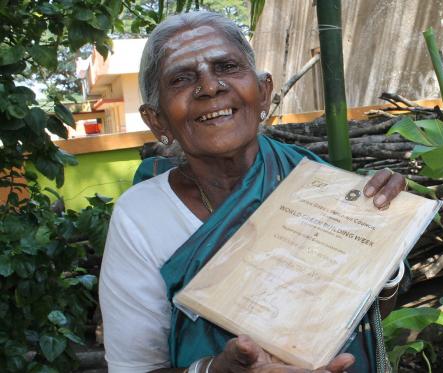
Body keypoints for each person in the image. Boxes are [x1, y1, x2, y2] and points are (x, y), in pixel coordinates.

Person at [99, 11, 407, 373]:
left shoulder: (319, 186)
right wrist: (215, 370)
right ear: (157, 120)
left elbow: (368, 315)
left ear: (263, 93)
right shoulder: (142, 215)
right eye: (182, 78)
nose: (210, 87)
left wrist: (382, 244)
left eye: (227, 67)